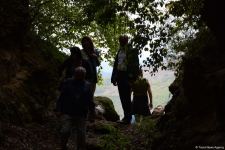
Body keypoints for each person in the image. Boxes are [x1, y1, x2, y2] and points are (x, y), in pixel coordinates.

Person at [56, 66, 95, 150]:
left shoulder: (87, 85)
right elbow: (61, 97)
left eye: (82, 75)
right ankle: (63, 146)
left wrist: (92, 114)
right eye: (78, 75)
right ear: (75, 74)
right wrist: (58, 109)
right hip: (68, 111)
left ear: (84, 76)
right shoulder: (67, 82)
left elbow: (90, 100)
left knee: (81, 134)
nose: (79, 77)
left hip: (81, 113)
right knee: (65, 131)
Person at [111, 35, 140, 124]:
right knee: (123, 97)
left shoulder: (132, 50)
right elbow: (116, 65)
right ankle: (126, 117)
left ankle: (128, 118)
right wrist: (113, 77)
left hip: (127, 77)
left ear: (127, 40)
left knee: (126, 97)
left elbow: (136, 65)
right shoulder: (120, 51)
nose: (121, 42)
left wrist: (132, 79)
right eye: (120, 41)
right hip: (119, 76)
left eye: (123, 40)